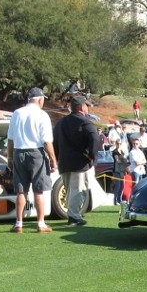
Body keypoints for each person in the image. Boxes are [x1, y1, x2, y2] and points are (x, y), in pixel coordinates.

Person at [7, 86, 57, 233]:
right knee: (38, 190)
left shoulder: (17, 113)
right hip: (36, 153)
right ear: (40, 100)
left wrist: (10, 157)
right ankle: (41, 224)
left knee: (21, 191)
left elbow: (10, 139)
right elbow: (47, 142)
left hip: (19, 152)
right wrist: (53, 160)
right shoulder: (42, 115)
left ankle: (18, 223)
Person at [53, 94, 102, 227]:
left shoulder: (61, 123)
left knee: (70, 190)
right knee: (78, 190)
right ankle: (74, 216)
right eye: (86, 105)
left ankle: (73, 214)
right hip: (80, 162)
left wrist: (57, 158)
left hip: (64, 162)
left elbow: (54, 142)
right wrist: (92, 156)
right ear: (82, 107)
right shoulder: (85, 122)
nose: (87, 107)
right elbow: (95, 139)